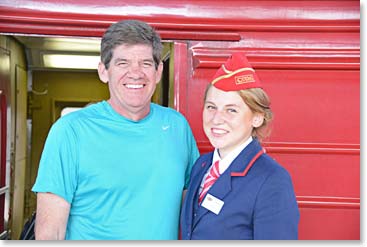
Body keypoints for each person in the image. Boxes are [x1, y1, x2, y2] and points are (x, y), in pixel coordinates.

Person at [32, 19, 199, 240]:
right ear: (103, 71)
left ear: (158, 72)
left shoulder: (178, 127)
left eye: (146, 64)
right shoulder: (70, 131)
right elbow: (50, 233)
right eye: (123, 63)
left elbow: (194, 207)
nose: (135, 73)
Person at [180, 52, 300, 240]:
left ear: (257, 118)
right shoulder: (201, 166)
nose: (217, 119)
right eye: (211, 107)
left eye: (231, 110)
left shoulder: (272, 180)